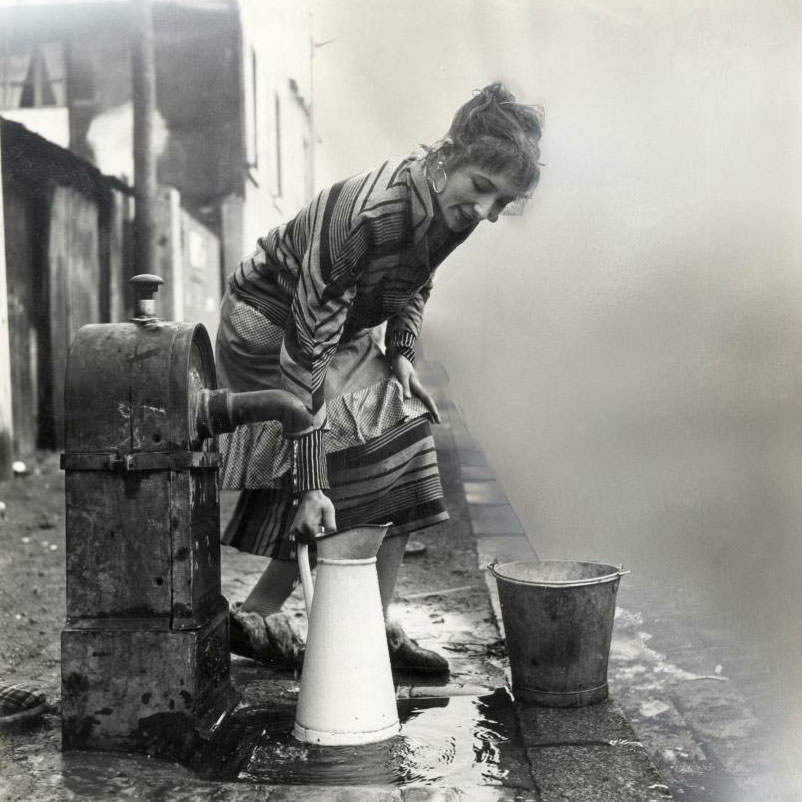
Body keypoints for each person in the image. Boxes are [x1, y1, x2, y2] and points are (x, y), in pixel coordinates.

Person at [216, 82, 543, 675]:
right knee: (352, 453)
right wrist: (312, 482)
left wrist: (402, 355)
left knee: (409, 435)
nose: (487, 212)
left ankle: (366, 624)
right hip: (268, 329)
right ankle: (275, 613)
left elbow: (417, 281)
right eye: (481, 188)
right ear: (448, 159)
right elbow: (302, 353)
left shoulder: (452, 208)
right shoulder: (369, 213)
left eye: (503, 202)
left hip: (337, 332)